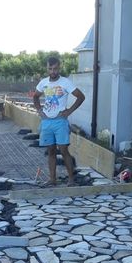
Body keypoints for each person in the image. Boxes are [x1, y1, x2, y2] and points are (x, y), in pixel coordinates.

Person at [33, 56, 85, 186]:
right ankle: (52, 179)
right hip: (46, 122)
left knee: (63, 150)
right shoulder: (43, 83)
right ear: (47, 69)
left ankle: (71, 179)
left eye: (55, 68)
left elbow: (80, 97)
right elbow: (35, 97)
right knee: (50, 151)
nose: (53, 71)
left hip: (60, 122)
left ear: (59, 68)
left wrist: (69, 111)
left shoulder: (65, 82)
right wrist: (39, 110)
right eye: (50, 68)